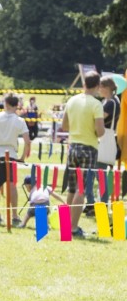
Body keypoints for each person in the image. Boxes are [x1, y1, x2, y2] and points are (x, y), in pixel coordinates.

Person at [61, 71, 105, 237]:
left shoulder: (72, 100)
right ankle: (73, 228)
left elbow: (64, 126)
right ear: (98, 86)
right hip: (89, 148)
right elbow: (100, 131)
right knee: (82, 189)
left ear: (84, 83)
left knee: (71, 189)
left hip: (73, 147)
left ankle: (65, 226)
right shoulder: (96, 104)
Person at [0, 92, 31, 226]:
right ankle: (14, 215)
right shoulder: (19, 120)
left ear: (6, 104)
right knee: (12, 184)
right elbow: (27, 141)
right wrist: (22, 157)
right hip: (11, 154)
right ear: (17, 105)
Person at [95, 76, 120, 206]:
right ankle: (102, 201)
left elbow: (99, 118)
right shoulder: (110, 101)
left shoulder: (111, 103)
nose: (98, 89)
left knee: (100, 174)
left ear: (107, 88)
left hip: (105, 139)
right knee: (100, 174)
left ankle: (103, 202)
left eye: (100, 87)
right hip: (107, 139)